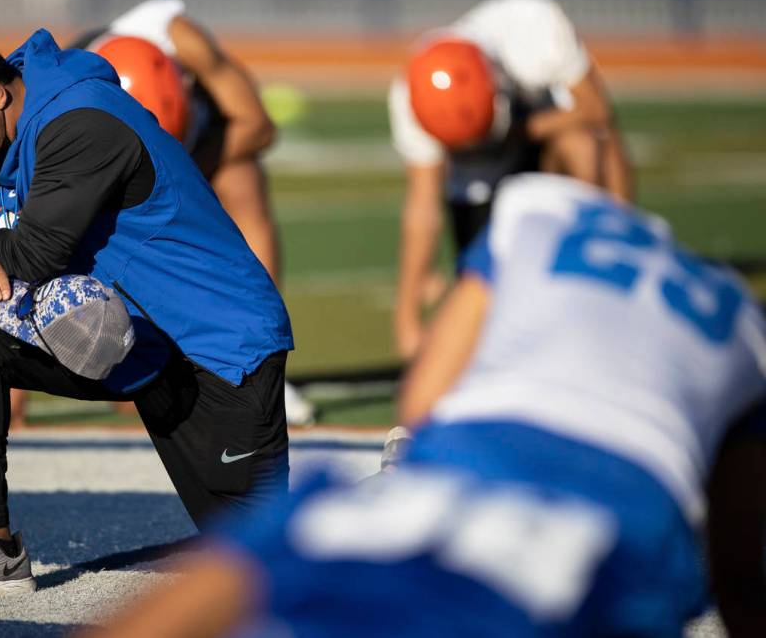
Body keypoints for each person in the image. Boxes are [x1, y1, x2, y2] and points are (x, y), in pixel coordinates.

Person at [79, 174, 766, 638]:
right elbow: (740, 566)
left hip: (459, 470)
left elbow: (425, 395)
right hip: (617, 523)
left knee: (277, 551)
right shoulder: (743, 322)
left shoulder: (543, 214)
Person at [0, 26, 294, 600]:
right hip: (129, 340)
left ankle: (399, 495)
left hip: (215, 345)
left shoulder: (81, 120)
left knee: (268, 569)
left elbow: (29, 254)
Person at [68, 0, 315, 427]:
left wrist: (180, 172)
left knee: (244, 180)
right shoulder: (69, 96)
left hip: (192, 151)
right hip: (116, 170)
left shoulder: (177, 34)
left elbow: (259, 125)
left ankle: (261, 355)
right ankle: (133, 348)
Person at [390, 0, 633, 359]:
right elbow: (423, 206)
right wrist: (407, 321)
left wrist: (519, 132)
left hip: (542, 144)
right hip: (478, 183)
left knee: (584, 143)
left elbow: (598, 111)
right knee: (487, 301)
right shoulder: (411, 96)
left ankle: (606, 254)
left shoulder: (535, 31)